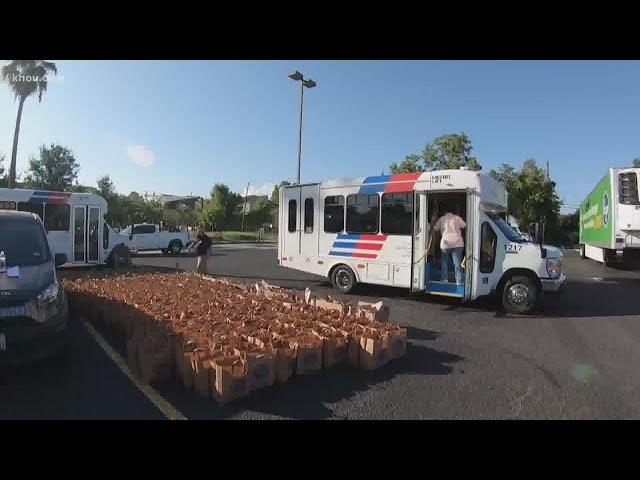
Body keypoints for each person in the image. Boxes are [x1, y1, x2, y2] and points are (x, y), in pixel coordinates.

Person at [430, 205, 466, 284]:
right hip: (457, 243)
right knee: (457, 262)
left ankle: (444, 279)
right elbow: (464, 225)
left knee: (444, 262)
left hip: (445, 243)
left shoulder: (442, 219)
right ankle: (459, 280)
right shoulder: (457, 218)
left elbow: (435, 228)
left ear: (445, 212)